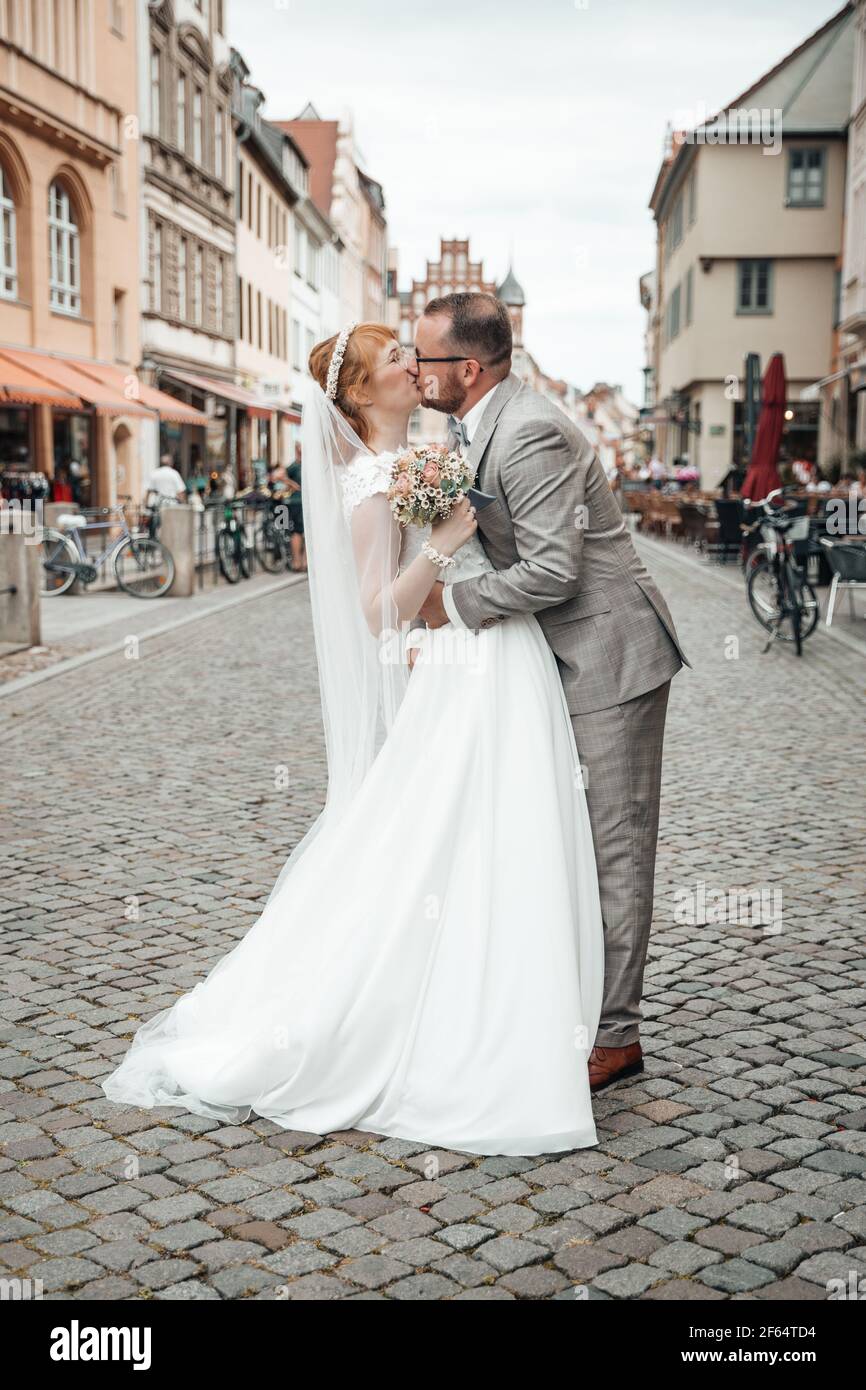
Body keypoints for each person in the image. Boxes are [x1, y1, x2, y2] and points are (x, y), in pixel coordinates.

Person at [100, 320, 605, 1157]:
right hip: (455, 661)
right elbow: (377, 614)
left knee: (495, 831)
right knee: (448, 833)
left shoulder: (429, 456)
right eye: (396, 359)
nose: (414, 363)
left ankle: (521, 1004)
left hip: (493, 658)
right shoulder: (371, 480)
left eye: (412, 352)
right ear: (363, 395)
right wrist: (445, 544)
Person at [414, 293, 689, 1091]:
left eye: (426, 357)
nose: (416, 367)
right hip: (555, 659)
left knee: (614, 847)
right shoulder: (480, 424)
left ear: (467, 369)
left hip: (610, 656)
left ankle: (616, 1036)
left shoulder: (529, 431)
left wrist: (452, 607)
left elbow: (554, 569)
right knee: (566, 835)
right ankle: (573, 999)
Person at [286, 443, 305, 572]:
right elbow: (277, 476)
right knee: (299, 532)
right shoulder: (295, 466)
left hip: (301, 502)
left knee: (301, 532)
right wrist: (293, 484)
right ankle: (299, 562)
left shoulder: (305, 465)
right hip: (298, 502)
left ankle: (302, 562)